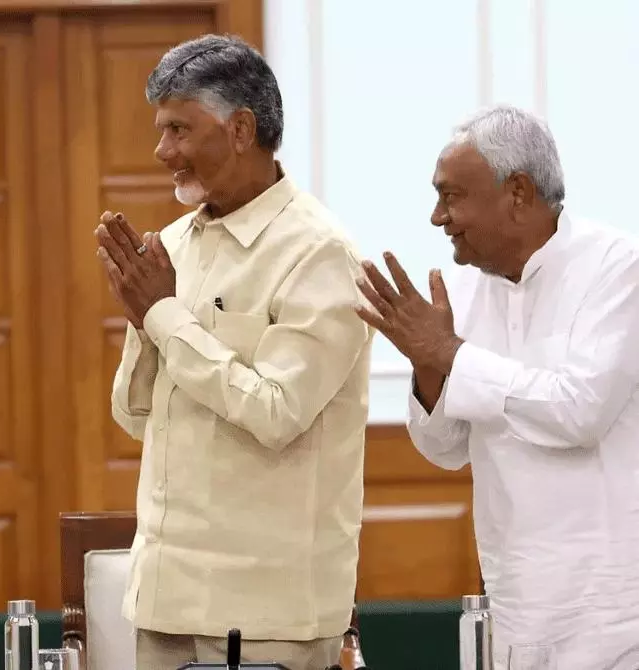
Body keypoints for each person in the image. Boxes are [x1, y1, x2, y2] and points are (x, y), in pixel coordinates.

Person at [100, 34, 372, 670]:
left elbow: (277, 412)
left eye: (179, 129)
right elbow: (137, 418)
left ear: (242, 129)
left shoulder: (320, 253)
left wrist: (165, 316)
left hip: (265, 614)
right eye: (161, 130)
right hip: (164, 600)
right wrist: (145, 321)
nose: (162, 151)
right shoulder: (174, 243)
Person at [356, 104, 639, 669]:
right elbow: (445, 448)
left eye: (452, 196)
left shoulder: (616, 267)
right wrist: (427, 363)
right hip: (513, 602)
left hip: (612, 610)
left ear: (517, 192)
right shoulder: (463, 289)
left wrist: (449, 354)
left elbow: (579, 412)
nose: (437, 217)